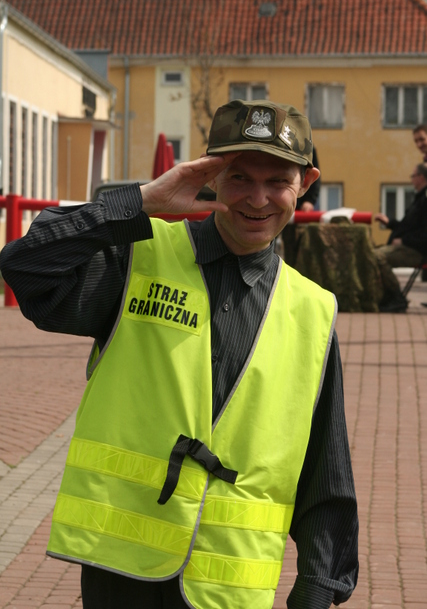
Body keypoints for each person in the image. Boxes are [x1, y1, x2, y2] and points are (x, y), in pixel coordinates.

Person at [0, 99, 358, 609]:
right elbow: (26, 268)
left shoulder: (313, 310)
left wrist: (320, 584)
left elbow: (327, 462)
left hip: (230, 585)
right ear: (210, 175)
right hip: (121, 571)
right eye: (239, 178)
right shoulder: (137, 259)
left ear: (305, 182)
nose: (258, 199)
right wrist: (138, 203)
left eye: (278, 181)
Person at [374, 162, 427, 312]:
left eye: (413, 176)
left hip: (418, 252)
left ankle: (396, 298)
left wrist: (403, 240)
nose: (411, 179)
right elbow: (408, 226)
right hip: (411, 247)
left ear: (421, 177)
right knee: (373, 253)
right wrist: (389, 222)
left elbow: (424, 234)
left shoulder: (424, 200)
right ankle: (387, 296)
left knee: (378, 257)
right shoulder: (419, 198)